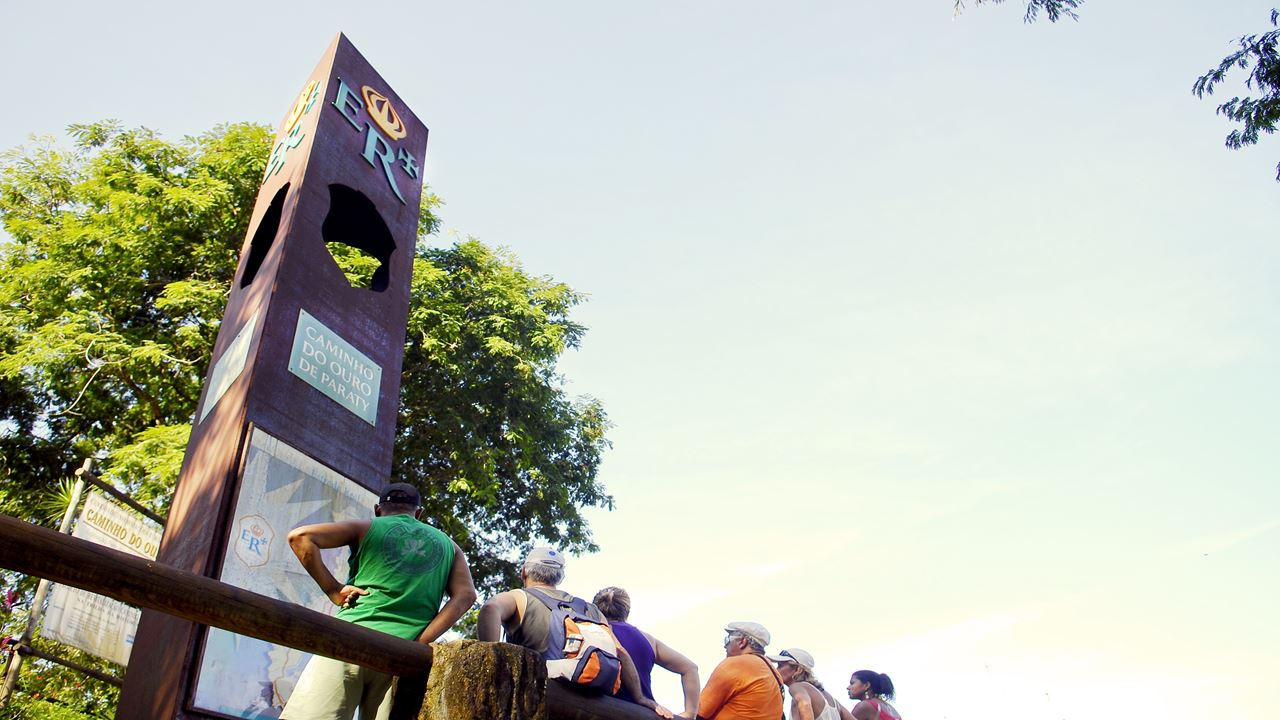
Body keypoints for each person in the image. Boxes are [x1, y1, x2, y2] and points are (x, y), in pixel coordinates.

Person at [280, 483, 477, 720]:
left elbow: (300, 537)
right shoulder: (449, 546)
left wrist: (334, 590)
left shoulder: (367, 527)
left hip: (348, 640)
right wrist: (421, 641)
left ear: (377, 509)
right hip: (401, 660)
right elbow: (466, 595)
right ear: (419, 513)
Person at [476, 547, 672, 718]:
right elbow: (620, 652)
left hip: (539, 695)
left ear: (524, 572)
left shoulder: (519, 597)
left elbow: (489, 610)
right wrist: (640, 697)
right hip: (589, 699)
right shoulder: (589, 608)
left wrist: (492, 663)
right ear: (560, 576)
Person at [593, 586, 701, 719]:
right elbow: (690, 668)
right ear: (626, 611)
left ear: (596, 609)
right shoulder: (647, 640)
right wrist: (690, 713)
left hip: (602, 710)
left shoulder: (593, 633)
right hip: (645, 713)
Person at [696, 622, 785, 720]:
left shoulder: (735, 664)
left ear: (742, 642)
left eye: (728, 640)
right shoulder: (775, 674)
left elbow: (699, 711)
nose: (725, 646)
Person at [766, 647, 852, 720]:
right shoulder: (831, 699)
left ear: (797, 669)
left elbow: (805, 704)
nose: (776, 670)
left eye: (780, 666)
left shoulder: (796, 687)